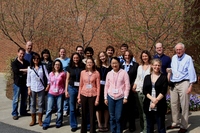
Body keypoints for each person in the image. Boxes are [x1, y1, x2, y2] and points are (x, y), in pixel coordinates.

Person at [167, 43, 196, 133]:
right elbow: (173, 70)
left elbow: (191, 71)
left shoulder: (188, 58)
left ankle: (183, 126)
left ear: (183, 50)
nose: (178, 51)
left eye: (180, 49)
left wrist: (190, 85)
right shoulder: (174, 58)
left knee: (184, 105)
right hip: (174, 83)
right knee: (174, 104)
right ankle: (175, 122)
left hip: (184, 82)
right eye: (177, 50)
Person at [104, 57, 130, 133]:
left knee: (118, 117)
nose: (114, 65)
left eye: (116, 63)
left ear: (119, 63)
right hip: (110, 97)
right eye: (112, 63)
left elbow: (127, 85)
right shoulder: (109, 73)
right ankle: (113, 131)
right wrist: (105, 97)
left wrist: (125, 97)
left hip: (120, 97)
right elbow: (106, 86)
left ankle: (119, 131)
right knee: (112, 117)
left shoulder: (124, 72)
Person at [143, 59, 168, 133]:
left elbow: (163, 91)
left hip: (160, 104)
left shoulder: (163, 77)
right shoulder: (147, 77)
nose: (157, 67)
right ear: (152, 66)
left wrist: (155, 101)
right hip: (148, 104)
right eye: (155, 65)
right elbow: (145, 90)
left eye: (158, 65)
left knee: (160, 126)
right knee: (149, 126)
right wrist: (152, 99)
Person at [77, 58, 100, 133]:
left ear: (93, 64)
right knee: (83, 113)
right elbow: (80, 85)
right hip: (83, 94)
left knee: (92, 114)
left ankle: (92, 130)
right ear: (86, 64)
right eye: (88, 62)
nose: (89, 64)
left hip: (93, 95)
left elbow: (98, 87)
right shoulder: (82, 72)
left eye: (91, 62)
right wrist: (79, 96)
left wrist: (97, 99)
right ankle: (83, 130)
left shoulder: (96, 73)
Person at [42, 60, 66, 130]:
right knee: (49, 109)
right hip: (51, 93)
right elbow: (49, 83)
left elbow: (65, 83)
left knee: (59, 109)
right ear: (53, 65)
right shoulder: (51, 74)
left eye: (58, 64)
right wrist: (47, 88)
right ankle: (46, 123)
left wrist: (65, 91)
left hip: (60, 93)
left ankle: (58, 122)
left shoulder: (63, 73)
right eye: (56, 64)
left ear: (60, 66)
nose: (57, 66)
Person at [27, 53, 49, 126]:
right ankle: (33, 120)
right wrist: (29, 88)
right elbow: (28, 79)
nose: (36, 60)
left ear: (39, 59)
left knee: (40, 104)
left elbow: (48, 77)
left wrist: (48, 85)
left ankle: (40, 119)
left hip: (41, 88)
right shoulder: (30, 68)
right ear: (32, 60)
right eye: (34, 59)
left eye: (37, 59)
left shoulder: (42, 67)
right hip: (33, 88)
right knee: (32, 104)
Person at [132, 50, 152, 133]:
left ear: (149, 57)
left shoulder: (152, 66)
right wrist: (134, 86)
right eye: (143, 56)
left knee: (147, 112)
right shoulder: (139, 67)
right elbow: (137, 78)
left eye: (146, 56)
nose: (144, 57)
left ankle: (147, 129)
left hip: (147, 91)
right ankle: (143, 128)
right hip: (139, 90)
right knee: (141, 111)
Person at [65, 52, 85, 132]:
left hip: (82, 88)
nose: (76, 59)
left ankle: (85, 124)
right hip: (72, 88)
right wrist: (66, 90)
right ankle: (73, 125)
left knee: (83, 107)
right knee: (72, 108)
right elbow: (67, 79)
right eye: (74, 58)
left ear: (79, 58)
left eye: (77, 58)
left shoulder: (83, 66)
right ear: (72, 59)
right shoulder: (69, 67)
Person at [121, 50, 139, 132]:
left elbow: (137, 77)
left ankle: (132, 125)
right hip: (122, 90)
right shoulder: (121, 65)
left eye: (128, 55)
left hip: (131, 89)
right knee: (123, 108)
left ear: (131, 56)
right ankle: (124, 124)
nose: (127, 57)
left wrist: (133, 86)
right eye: (125, 55)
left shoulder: (136, 65)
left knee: (131, 108)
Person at [11, 47, 30, 120]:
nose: (22, 55)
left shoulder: (26, 62)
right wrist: (25, 70)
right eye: (21, 53)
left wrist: (21, 70)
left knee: (24, 99)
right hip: (17, 84)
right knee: (16, 99)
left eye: (23, 54)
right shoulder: (14, 63)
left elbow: (29, 70)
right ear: (18, 53)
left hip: (25, 84)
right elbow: (16, 71)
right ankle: (15, 113)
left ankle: (23, 111)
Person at [96, 51, 111, 132]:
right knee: (98, 108)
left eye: (103, 56)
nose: (102, 58)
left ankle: (105, 124)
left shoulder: (110, 67)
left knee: (106, 107)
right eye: (100, 56)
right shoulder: (97, 67)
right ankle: (99, 124)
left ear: (106, 56)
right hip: (98, 89)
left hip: (107, 89)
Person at [56, 48, 70, 116]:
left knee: (65, 93)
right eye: (61, 52)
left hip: (66, 79)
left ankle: (65, 109)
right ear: (59, 52)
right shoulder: (56, 60)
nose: (62, 53)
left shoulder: (68, 60)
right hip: (58, 79)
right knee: (58, 93)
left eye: (64, 52)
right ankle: (58, 109)